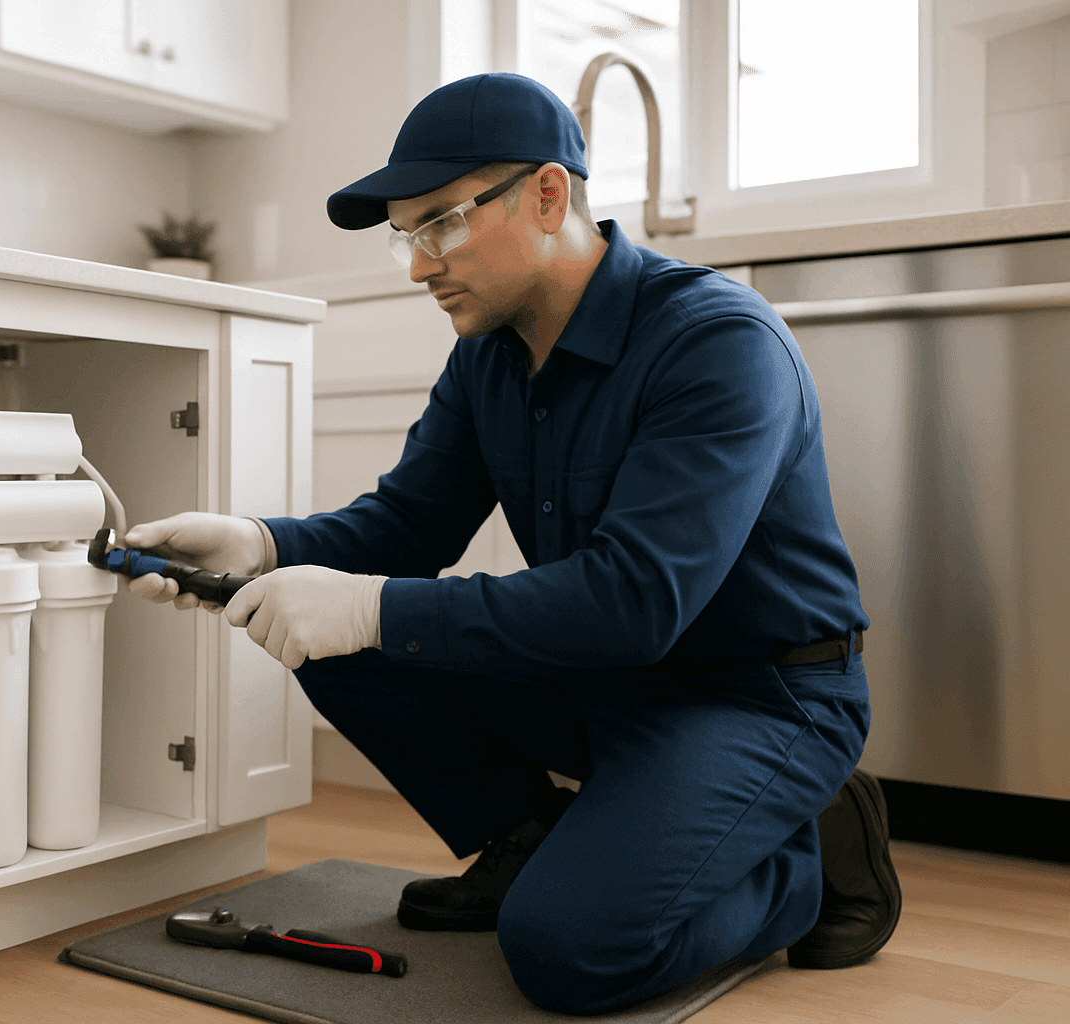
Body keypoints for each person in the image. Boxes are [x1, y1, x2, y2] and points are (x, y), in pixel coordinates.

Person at [123, 73, 901, 1015]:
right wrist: (258, 544)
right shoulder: (488, 352)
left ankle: (808, 857)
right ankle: (530, 837)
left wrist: (365, 604)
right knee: (331, 632)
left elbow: (633, 603)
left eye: (440, 223)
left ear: (546, 194)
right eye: (406, 235)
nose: (417, 265)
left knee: (568, 954)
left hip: (758, 695)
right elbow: (405, 529)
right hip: (611, 680)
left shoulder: (717, 343)